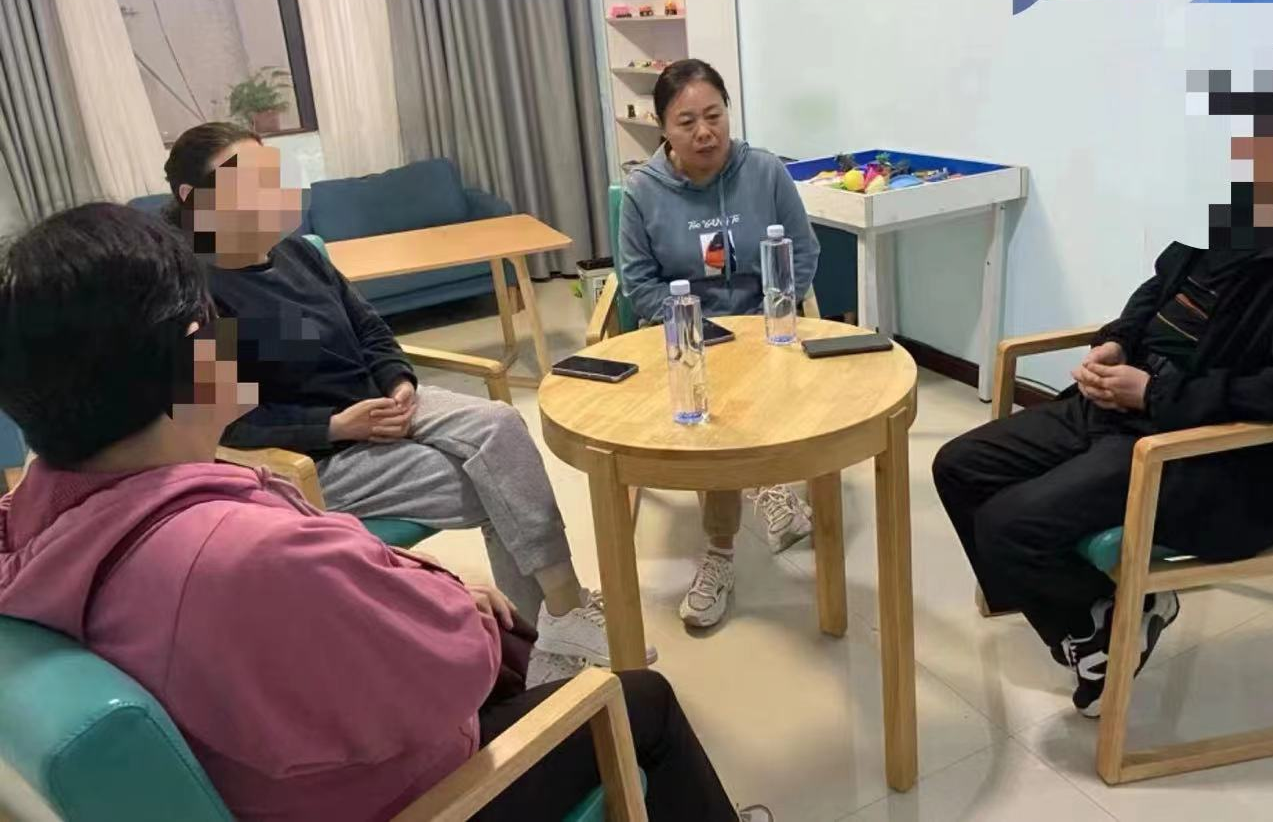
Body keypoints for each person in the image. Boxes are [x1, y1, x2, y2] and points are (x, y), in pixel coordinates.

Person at [0, 204, 764, 821]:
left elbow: (369, 333)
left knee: (493, 449)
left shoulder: (47, 519)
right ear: (189, 354)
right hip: (415, 793)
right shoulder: (243, 558)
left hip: (294, 771)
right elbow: (453, 670)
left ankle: (557, 609)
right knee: (640, 702)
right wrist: (450, 600)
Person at [933, 47, 1273, 716]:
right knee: (959, 467)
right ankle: (1099, 619)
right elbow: (1161, 285)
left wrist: (1152, 393)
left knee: (1010, 525)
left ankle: (1101, 632)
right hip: (1131, 403)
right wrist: (1116, 341)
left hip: (1217, 449)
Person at [162, 123, 653, 674]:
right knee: (495, 483)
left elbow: (371, 329)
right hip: (318, 457)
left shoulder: (298, 254)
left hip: (382, 405)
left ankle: (558, 624)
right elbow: (226, 428)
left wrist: (399, 381)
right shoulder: (197, 297)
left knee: (502, 426)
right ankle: (553, 629)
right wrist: (335, 426)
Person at [619, 59, 822, 629]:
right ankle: (725, 545)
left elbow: (803, 251)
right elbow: (638, 283)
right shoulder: (642, 192)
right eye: (687, 122)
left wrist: (773, 314)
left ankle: (756, 497)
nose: (705, 132)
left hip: (765, 329)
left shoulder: (765, 172)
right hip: (689, 337)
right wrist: (703, 329)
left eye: (715, 116)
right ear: (663, 128)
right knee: (710, 408)